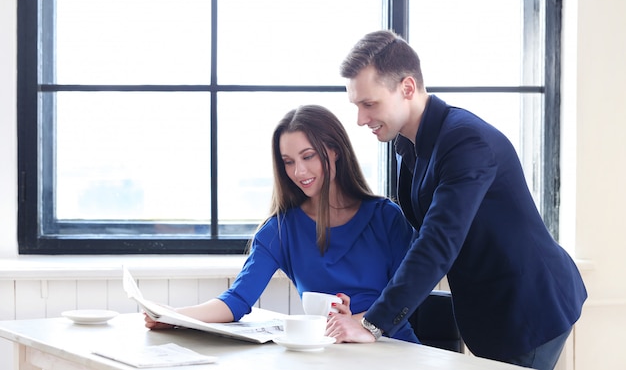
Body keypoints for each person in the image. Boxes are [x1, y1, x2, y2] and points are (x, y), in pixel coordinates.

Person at [328, 29, 587, 370]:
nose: (360, 119)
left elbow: (437, 242)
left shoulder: (465, 141)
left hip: (529, 309)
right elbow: (417, 238)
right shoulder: (407, 146)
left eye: (369, 104)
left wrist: (372, 323)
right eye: (356, 105)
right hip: (488, 313)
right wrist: (368, 309)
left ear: (407, 88)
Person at [144, 104, 419, 344]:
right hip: (334, 355)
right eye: (288, 162)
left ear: (335, 150)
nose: (299, 172)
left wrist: (358, 322)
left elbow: (409, 294)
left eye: (308, 156)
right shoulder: (280, 229)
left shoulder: (386, 217)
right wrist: (175, 316)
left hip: (397, 349)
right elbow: (237, 300)